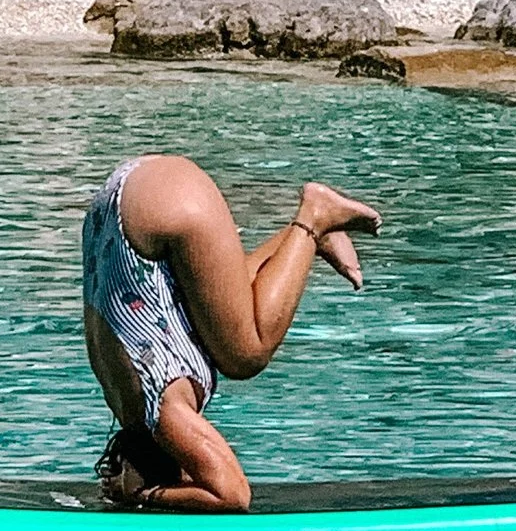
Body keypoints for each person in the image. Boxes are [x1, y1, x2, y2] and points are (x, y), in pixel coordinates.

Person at [81, 156, 380, 511]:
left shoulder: (161, 415)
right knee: (234, 333)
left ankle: (313, 217)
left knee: (245, 356)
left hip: (159, 206)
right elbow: (226, 299)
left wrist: (145, 496)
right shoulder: (120, 395)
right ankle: (304, 236)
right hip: (129, 195)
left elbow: (232, 494)